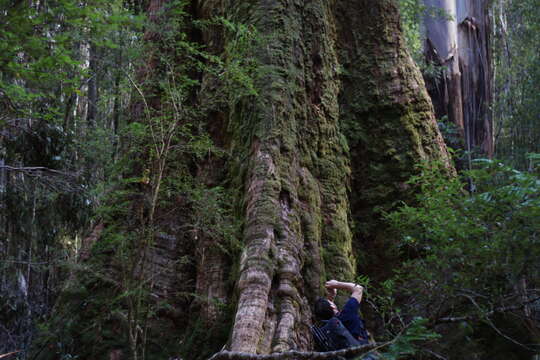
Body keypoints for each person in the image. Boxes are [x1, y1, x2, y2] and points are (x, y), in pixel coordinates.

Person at [313, 279, 369, 345]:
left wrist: (332, 297)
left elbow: (332, 314)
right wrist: (336, 284)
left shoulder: (327, 329)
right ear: (333, 307)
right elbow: (358, 289)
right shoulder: (348, 313)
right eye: (329, 301)